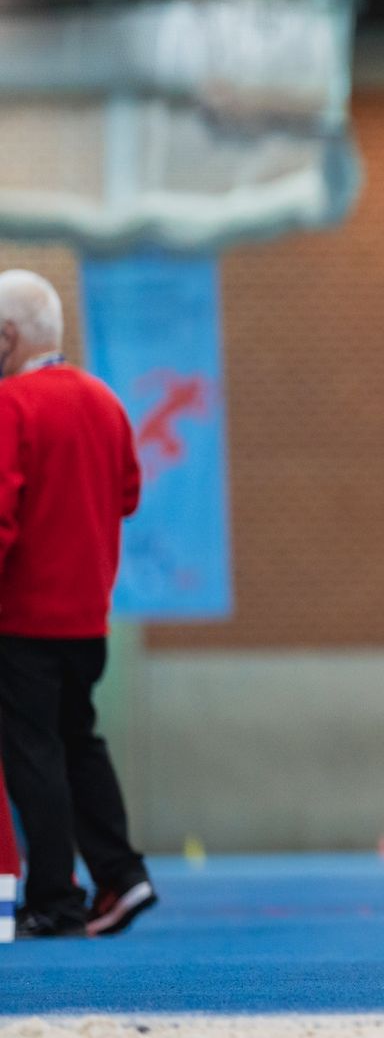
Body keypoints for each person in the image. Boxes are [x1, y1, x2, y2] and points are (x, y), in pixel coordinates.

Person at [0, 271, 153, 938]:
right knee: (77, 742)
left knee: (32, 753)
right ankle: (122, 874)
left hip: (22, 619)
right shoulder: (105, 401)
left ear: (8, 336)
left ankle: (55, 898)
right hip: (88, 620)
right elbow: (128, 495)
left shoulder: (10, 405)